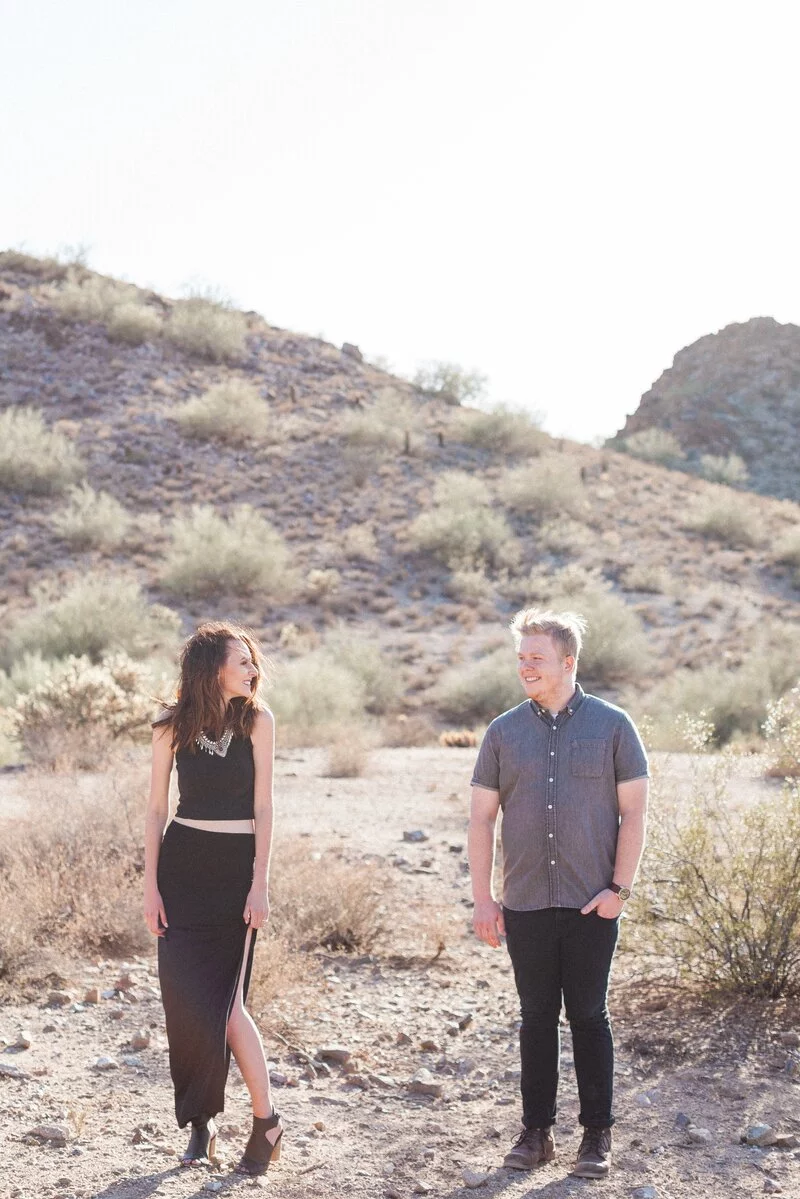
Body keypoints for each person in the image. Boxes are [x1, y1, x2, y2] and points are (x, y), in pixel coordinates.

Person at [468, 609, 649, 1180]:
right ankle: (536, 1133)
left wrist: (619, 888)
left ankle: (597, 1135)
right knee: (536, 1018)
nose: (526, 666)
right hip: (524, 902)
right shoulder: (502, 731)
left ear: (568, 662)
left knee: (590, 1016)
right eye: (521, 657)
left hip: (593, 901)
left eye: (536, 658)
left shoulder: (613, 725)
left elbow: (636, 811)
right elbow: (480, 821)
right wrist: (482, 898)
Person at [143, 622, 283, 1175]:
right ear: (212, 668)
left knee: (225, 1006)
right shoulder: (168, 725)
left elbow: (266, 807)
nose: (252, 670)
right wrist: (150, 885)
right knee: (184, 1004)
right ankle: (201, 1125)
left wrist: (260, 881)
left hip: (234, 875)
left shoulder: (258, 720)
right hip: (180, 871)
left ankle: (266, 1121)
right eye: (242, 661)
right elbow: (157, 810)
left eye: (252, 661)